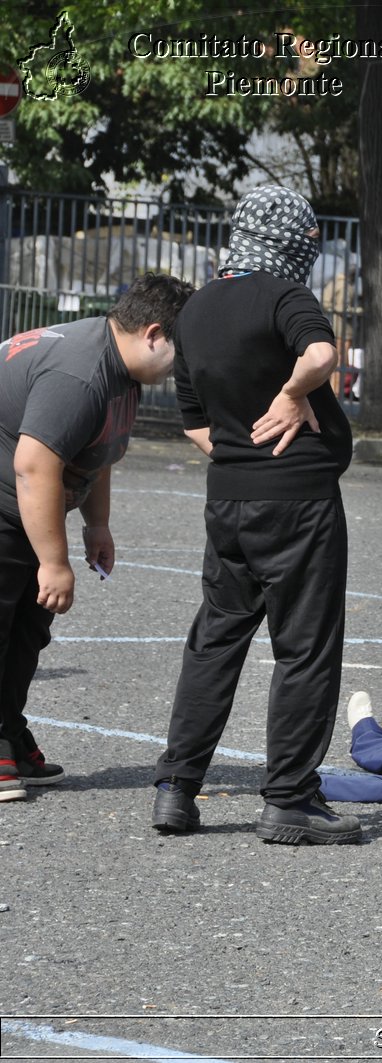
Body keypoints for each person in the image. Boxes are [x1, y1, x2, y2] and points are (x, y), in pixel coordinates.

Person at [151, 184, 360, 846]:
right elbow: (323, 356)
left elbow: (193, 422)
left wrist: (243, 452)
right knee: (304, 646)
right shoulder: (284, 295)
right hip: (298, 500)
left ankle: (176, 787)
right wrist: (296, 393)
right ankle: (290, 799)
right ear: (296, 243)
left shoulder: (195, 310)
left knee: (215, 638)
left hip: (229, 498)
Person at [0, 274, 194, 801]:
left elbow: (97, 450)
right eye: (184, 350)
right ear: (154, 333)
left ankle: (8, 731)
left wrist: (97, 523)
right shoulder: (82, 374)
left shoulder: (118, 369)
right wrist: (53, 562)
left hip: (22, 504)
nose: (186, 366)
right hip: (9, 499)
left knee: (26, 629)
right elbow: (35, 467)